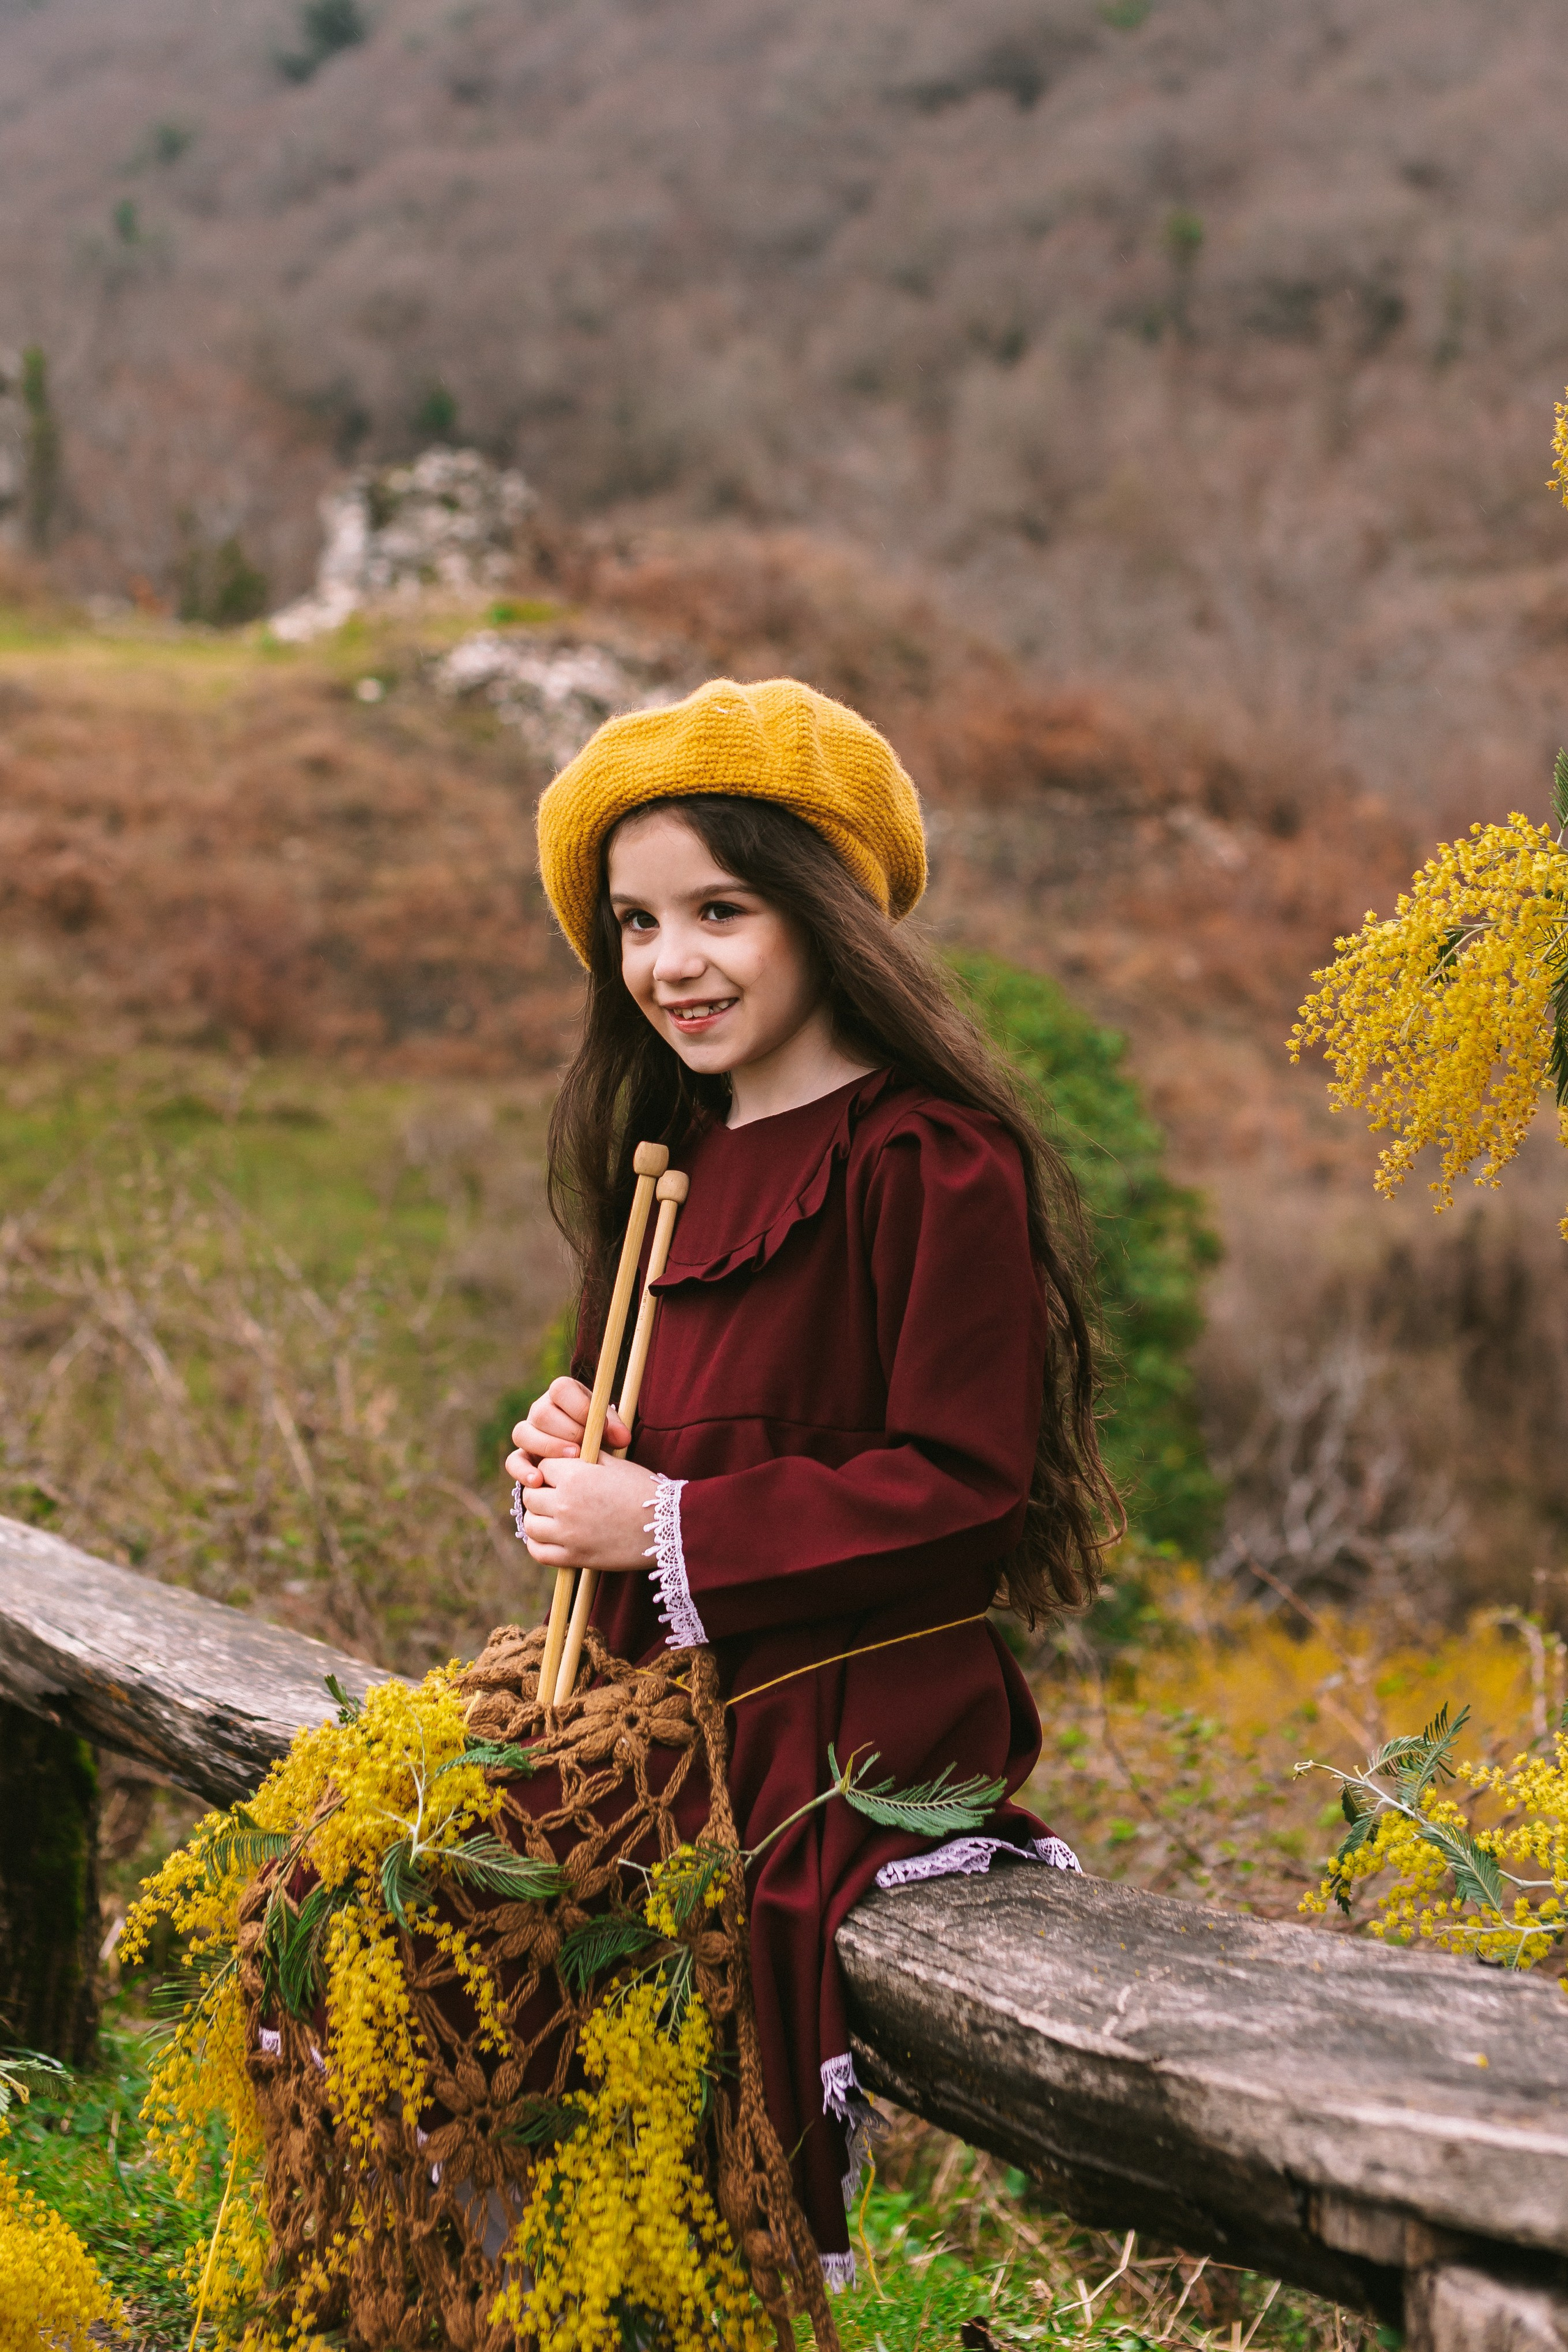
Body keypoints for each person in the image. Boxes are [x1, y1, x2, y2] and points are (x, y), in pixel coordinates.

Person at [508, 674, 1118, 2283]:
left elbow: (964, 1487)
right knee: (415, 1878)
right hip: (665, 1684)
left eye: (722, 910)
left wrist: (664, 1522)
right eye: (637, 923)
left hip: (848, 1706)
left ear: (826, 911)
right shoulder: (671, 1163)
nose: (672, 963)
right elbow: (639, 1454)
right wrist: (570, 1468)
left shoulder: (934, 1156)